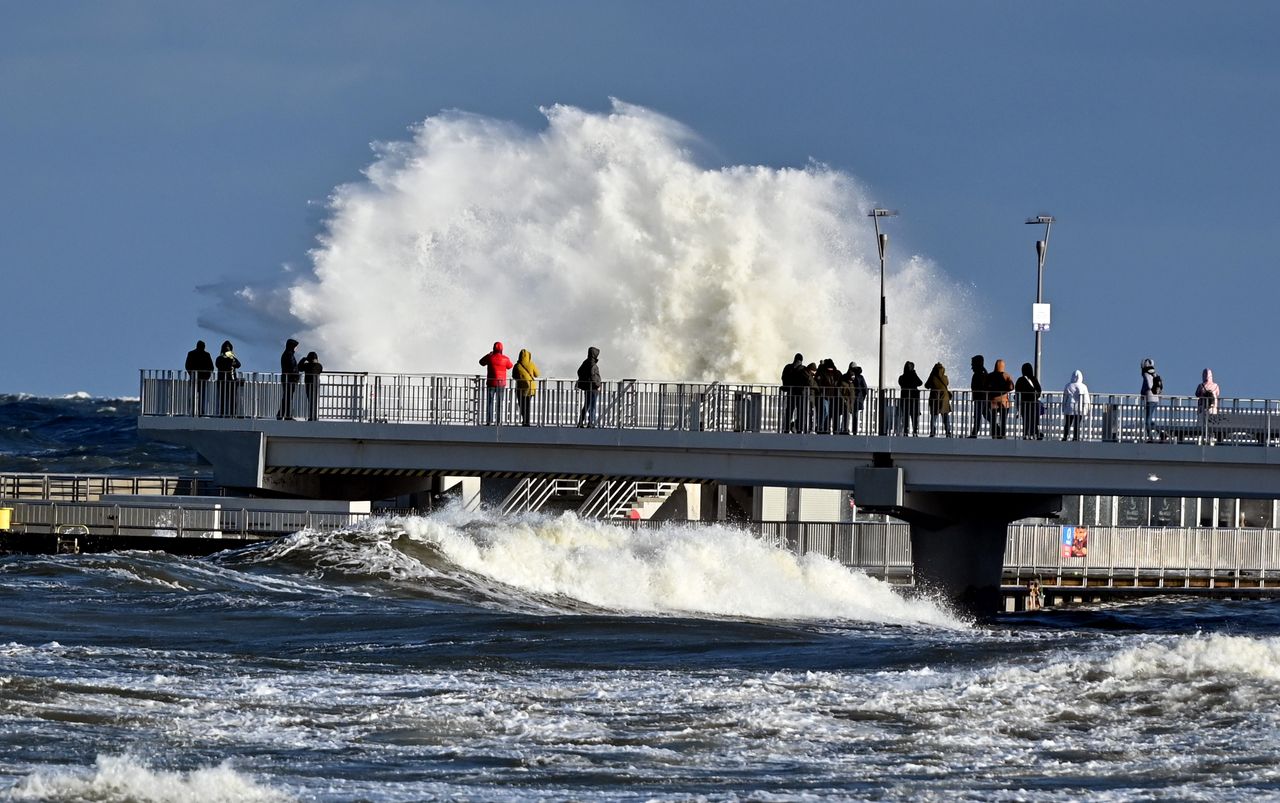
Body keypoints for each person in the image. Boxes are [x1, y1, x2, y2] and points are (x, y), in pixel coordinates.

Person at [478, 342, 514, 425]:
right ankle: (498, 421)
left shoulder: (490, 357)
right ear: (502, 349)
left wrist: (489, 354)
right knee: (499, 403)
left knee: (490, 402)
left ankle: (489, 421)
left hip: (491, 383)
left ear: (493, 348)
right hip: (501, 384)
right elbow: (510, 366)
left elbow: (481, 362)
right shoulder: (505, 358)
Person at [184, 340, 214, 416]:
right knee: (202, 396)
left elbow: (187, 366)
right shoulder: (206, 355)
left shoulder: (191, 354)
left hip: (194, 379)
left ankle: (192, 412)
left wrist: (192, 374)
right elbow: (211, 367)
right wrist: (207, 376)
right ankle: (201, 412)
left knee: (192, 396)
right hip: (202, 379)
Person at [1015, 362, 1043, 440]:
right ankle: (1035, 433)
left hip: (1024, 404)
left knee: (1026, 419)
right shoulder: (1033, 379)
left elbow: (1017, 391)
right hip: (1033, 403)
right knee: (1033, 419)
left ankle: (1025, 434)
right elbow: (1039, 390)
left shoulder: (1020, 380)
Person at [988, 359, 1014, 439]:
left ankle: (994, 434)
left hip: (993, 402)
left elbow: (985, 386)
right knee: (1003, 421)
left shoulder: (990, 375)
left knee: (993, 420)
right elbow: (1011, 387)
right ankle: (1002, 435)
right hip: (1004, 402)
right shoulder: (1006, 375)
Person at [576, 346, 602, 427]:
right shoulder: (593, 364)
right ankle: (591, 423)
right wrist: (597, 385)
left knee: (586, 406)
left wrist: (584, 381)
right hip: (593, 388)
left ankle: (580, 422)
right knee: (593, 407)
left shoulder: (586, 362)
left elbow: (579, 371)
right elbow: (593, 376)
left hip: (587, 388)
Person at [513, 348, 540, 427]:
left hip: (520, 389)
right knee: (527, 405)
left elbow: (514, 376)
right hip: (531, 388)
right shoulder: (531, 364)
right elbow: (537, 374)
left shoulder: (517, 365)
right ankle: (526, 421)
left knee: (522, 405)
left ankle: (525, 421)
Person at [925, 362, 952, 437]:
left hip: (935, 399)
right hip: (944, 399)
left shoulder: (933, 377)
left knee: (934, 417)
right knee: (946, 417)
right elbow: (947, 384)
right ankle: (948, 432)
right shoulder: (945, 377)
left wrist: (931, 374)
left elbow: (926, 385)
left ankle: (933, 432)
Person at [780, 353, 806, 433]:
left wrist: (786, 386)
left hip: (790, 393)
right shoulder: (803, 368)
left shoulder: (788, 367)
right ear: (801, 360)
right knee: (801, 412)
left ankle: (786, 429)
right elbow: (807, 380)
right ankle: (798, 429)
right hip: (800, 394)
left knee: (789, 412)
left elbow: (783, 378)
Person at [1062, 369, 1091, 441]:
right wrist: (1087, 409)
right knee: (1077, 424)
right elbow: (1086, 399)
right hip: (1079, 408)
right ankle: (1076, 437)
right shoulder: (1083, 386)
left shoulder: (1068, 385)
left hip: (1069, 407)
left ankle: (1065, 436)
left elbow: (1065, 397)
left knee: (1068, 423)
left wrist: (1063, 407)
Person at [215, 341, 241, 417]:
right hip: (232, 381)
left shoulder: (219, 358)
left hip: (222, 381)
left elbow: (218, 365)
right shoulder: (231, 358)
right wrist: (231, 358)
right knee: (232, 399)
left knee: (222, 399)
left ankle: (222, 413)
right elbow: (238, 364)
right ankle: (232, 414)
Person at [897, 361, 923, 436]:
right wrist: (914, 373)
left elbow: (901, 383)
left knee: (905, 417)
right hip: (914, 400)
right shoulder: (913, 376)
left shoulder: (901, 377)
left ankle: (906, 431)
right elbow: (920, 383)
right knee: (914, 417)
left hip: (905, 400)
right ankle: (915, 431)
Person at [1196, 368, 1221, 444]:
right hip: (1213, 408)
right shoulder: (1216, 386)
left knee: (1202, 424)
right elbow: (1218, 394)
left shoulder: (1201, 386)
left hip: (1202, 408)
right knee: (1212, 423)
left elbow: (1197, 394)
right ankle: (1211, 437)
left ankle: (1201, 436)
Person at [277, 338, 300, 420]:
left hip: (287, 379)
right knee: (287, 398)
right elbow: (292, 368)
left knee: (286, 397)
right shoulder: (289, 355)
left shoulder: (287, 354)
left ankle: (282, 414)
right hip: (290, 380)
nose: (297, 348)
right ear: (292, 346)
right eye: (296, 346)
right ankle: (286, 416)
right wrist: (296, 374)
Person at [967, 355, 989, 438]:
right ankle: (998, 430)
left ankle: (974, 434)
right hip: (983, 398)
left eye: (972, 364)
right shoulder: (983, 373)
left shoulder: (979, 374)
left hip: (979, 399)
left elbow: (978, 387)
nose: (971, 366)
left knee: (978, 416)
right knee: (987, 416)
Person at [1139, 358, 1160, 442]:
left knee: (1147, 420)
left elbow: (1148, 385)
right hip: (1156, 398)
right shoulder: (1155, 373)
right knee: (1150, 419)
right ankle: (1161, 433)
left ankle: (1150, 437)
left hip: (1149, 398)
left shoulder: (1146, 374)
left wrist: (1143, 391)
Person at [298, 351, 323, 421]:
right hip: (316, 385)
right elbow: (320, 370)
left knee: (311, 401)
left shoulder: (306, 366)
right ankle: (314, 416)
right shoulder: (319, 366)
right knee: (314, 401)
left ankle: (311, 417)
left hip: (308, 385)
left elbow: (299, 368)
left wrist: (303, 359)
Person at [846, 362, 869, 435]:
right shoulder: (860, 377)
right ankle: (854, 432)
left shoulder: (848, 376)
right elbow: (865, 390)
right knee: (854, 416)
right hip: (857, 399)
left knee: (847, 415)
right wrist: (862, 399)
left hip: (850, 399)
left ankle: (846, 429)